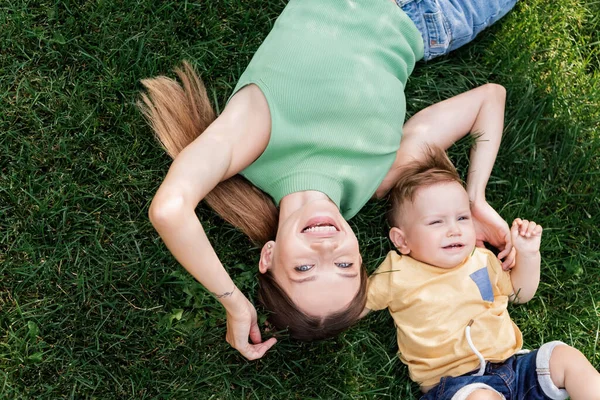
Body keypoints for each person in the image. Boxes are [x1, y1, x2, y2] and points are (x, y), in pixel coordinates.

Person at [139, 0, 517, 360]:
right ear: (357, 251)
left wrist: (233, 302)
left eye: (304, 269)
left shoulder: (254, 140)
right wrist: (474, 201)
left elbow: (170, 210)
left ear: (268, 256)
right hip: (437, 16)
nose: (327, 250)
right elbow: (489, 100)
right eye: (345, 266)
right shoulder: (376, 180)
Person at [364, 147, 600, 400]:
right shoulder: (397, 271)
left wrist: (528, 255)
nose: (454, 230)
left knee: (565, 357)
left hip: (514, 368)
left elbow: (519, 294)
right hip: (455, 384)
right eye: (436, 222)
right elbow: (354, 305)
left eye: (463, 218)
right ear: (402, 240)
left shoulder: (482, 259)